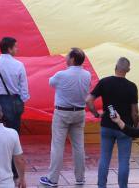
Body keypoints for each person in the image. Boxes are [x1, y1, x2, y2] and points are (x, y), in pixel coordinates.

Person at [39, 48, 94, 188]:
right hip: (79, 113)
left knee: (57, 146)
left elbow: (50, 82)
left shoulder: (61, 75)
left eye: (68, 56)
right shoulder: (87, 75)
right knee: (79, 146)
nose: (65, 58)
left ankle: (53, 179)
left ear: (73, 59)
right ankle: (80, 178)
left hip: (62, 113)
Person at [86, 57, 138, 188]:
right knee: (124, 161)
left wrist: (96, 114)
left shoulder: (105, 82)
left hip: (107, 125)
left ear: (115, 67)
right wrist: (135, 128)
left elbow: (88, 100)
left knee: (104, 158)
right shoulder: (132, 87)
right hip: (124, 128)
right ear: (128, 70)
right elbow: (135, 112)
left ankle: (101, 185)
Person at [0, 36, 29, 138]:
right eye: (15, 47)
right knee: (13, 133)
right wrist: (23, 99)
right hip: (13, 101)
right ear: (9, 49)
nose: (17, 49)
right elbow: (24, 87)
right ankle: (12, 152)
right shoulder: (19, 65)